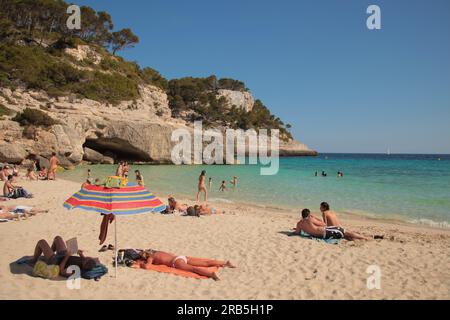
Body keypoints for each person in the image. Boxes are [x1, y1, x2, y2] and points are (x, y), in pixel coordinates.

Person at [138, 249, 236, 281]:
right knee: (205, 263)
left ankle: (211, 274)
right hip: (181, 257)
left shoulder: (150, 258)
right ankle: (225, 263)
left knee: (193, 269)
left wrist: (142, 264)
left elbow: (147, 266)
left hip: (176, 262)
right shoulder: (159, 252)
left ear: (146, 256)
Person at [29, 236, 98, 278]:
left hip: (55, 261)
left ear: (85, 264)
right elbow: (84, 260)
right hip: (63, 255)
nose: (86, 257)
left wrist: (67, 257)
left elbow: (62, 271)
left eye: (87, 259)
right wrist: (80, 254)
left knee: (41, 242)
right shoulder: (84, 261)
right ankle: (49, 253)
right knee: (58, 238)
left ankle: (34, 260)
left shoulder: (75, 270)